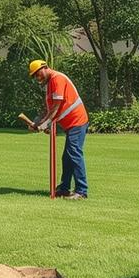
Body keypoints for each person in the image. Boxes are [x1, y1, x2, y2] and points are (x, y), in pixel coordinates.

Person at [28, 59, 90, 200]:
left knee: (74, 154)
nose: (37, 78)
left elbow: (56, 106)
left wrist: (46, 124)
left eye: (37, 74)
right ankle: (64, 188)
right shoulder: (50, 84)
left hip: (77, 121)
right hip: (71, 124)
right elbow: (49, 109)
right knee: (67, 157)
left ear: (44, 68)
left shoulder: (57, 79)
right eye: (35, 76)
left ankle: (81, 191)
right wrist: (38, 123)